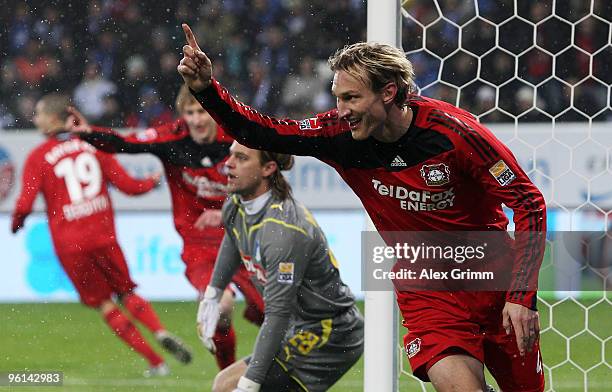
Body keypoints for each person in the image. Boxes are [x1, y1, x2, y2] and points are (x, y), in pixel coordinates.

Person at [177, 24, 547, 392]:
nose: (341, 110)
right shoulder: (338, 136)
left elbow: (528, 202)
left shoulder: (454, 134)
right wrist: (207, 90)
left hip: (494, 283)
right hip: (429, 293)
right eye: (338, 97)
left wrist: (520, 297)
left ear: (388, 92)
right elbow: (265, 132)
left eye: (352, 98)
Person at [65, 85, 265, 370]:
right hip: (201, 245)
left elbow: (266, 184)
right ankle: (228, 377)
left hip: (246, 239)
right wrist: (90, 133)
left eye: (202, 112)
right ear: (182, 115)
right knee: (221, 307)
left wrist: (227, 213)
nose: (197, 120)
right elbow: (127, 143)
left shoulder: (237, 139)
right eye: (190, 113)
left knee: (277, 317)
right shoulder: (172, 137)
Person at [11, 93, 192, 377]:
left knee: (106, 304)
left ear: (54, 119)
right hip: (103, 235)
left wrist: (16, 224)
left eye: (39, 113)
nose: (35, 119)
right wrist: (151, 182)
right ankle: (159, 330)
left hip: (70, 244)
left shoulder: (38, 157)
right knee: (126, 292)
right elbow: (128, 186)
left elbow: (24, 204)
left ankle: (156, 363)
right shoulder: (94, 146)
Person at [199, 141, 363, 392]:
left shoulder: (283, 231)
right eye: (231, 156)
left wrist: (250, 384)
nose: (228, 164)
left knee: (229, 385)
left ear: (269, 168)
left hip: (331, 332)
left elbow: (276, 315)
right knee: (224, 383)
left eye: (242, 158)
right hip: (300, 324)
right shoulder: (235, 204)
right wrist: (212, 296)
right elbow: (233, 238)